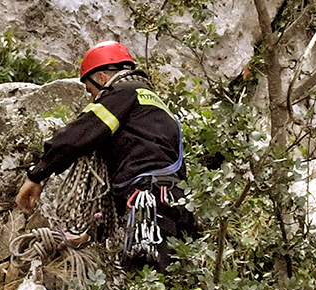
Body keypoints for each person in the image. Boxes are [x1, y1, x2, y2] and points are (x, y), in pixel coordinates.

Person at [15, 40, 197, 272]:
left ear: (101, 78)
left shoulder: (122, 93)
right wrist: (90, 234)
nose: (93, 99)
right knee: (176, 280)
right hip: (176, 205)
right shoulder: (154, 106)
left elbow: (79, 135)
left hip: (149, 203)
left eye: (90, 91)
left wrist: (37, 175)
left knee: (144, 277)